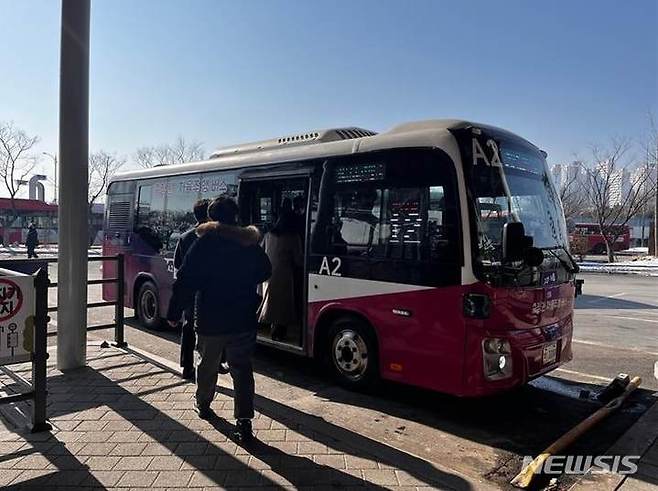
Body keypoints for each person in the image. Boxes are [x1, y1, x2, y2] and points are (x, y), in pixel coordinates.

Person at [166, 196, 271, 443]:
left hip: (210, 317)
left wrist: (173, 312)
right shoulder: (248, 243)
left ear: (212, 217)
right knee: (242, 369)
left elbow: (186, 279)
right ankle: (244, 420)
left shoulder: (205, 243)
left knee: (207, 364)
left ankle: (203, 404)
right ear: (236, 216)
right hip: (243, 317)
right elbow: (266, 270)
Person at [173, 198, 211, 380]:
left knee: (188, 328)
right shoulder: (217, 237)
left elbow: (178, 267)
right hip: (211, 292)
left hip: (191, 292)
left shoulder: (185, 237)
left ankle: (187, 367)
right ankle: (216, 362)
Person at [258, 200, 304, 342]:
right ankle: (279, 332)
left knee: (271, 303)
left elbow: (260, 251)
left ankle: (271, 329)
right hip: (285, 275)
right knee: (283, 307)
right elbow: (299, 260)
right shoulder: (294, 237)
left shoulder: (269, 235)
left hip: (267, 276)